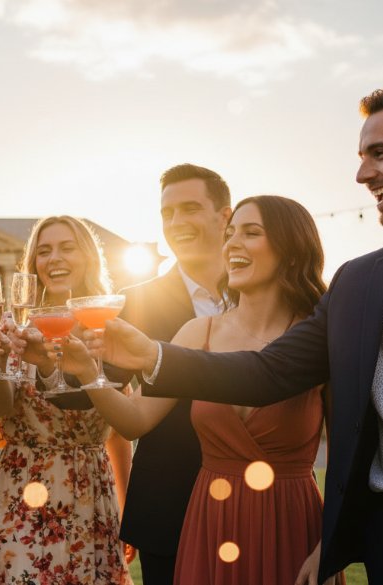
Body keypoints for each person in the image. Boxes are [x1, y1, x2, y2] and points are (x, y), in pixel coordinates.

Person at [90, 83, 383, 585]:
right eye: (361, 156)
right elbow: (267, 372)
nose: (362, 173)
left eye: (380, 153)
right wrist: (152, 354)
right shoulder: (360, 283)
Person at [86, 196, 333, 584]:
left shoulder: (321, 340)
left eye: (251, 233)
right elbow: (134, 420)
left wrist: (328, 545)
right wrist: (88, 372)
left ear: (290, 249)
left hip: (292, 521)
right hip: (211, 519)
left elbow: (346, 457)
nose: (232, 243)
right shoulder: (197, 333)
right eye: (230, 233)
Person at [0, 215, 134, 585]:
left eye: (66, 247)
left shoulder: (107, 326)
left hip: (91, 491)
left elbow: (118, 429)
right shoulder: (15, 325)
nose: (54, 258)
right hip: (25, 488)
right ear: (34, 264)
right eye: (44, 251)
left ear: (89, 257)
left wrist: (127, 506)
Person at [115, 163, 231, 585]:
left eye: (190, 208)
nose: (177, 223)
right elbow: (88, 392)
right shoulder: (133, 303)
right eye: (168, 213)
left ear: (225, 216)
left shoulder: (271, 292)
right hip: (169, 507)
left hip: (260, 496)